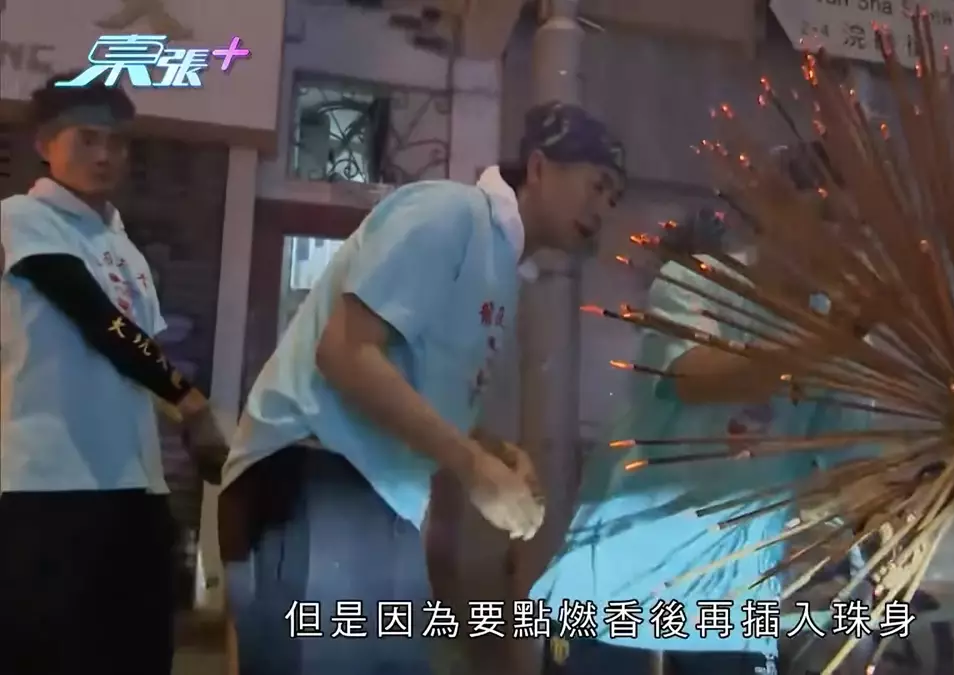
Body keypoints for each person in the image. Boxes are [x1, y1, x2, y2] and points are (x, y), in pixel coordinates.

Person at [220, 101, 626, 675]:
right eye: (597, 185)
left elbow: (416, 390)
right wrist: (471, 466)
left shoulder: (504, 271)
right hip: (314, 474)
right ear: (539, 167)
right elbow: (345, 353)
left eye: (613, 198)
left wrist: (490, 451)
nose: (602, 208)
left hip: (384, 498)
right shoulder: (449, 213)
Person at [531, 205, 877, 675]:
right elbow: (696, 379)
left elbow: (853, 463)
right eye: (823, 216)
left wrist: (896, 512)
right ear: (773, 209)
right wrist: (826, 344)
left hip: (734, 607)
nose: (838, 244)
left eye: (852, 230)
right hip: (615, 590)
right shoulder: (698, 282)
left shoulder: (837, 334)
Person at [0, 73, 229, 675]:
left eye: (118, 143)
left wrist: (189, 424)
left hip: (135, 486)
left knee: (139, 653)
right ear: (45, 145)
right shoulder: (22, 219)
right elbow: (99, 322)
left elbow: (137, 357)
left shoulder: (124, 249)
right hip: (47, 483)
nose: (105, 155)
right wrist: (193, 405)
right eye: (87, 138)